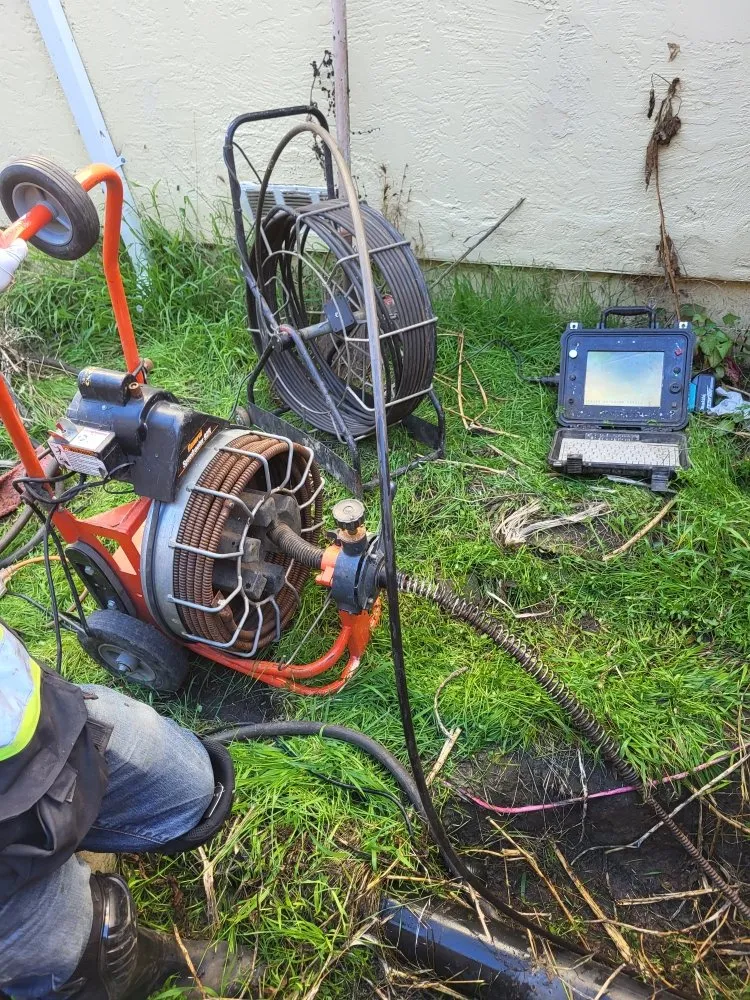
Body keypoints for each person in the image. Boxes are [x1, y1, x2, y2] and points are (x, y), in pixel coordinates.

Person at [0, 239, 254, 999]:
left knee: (196, 793)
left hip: (40, 727)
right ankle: (125, 955)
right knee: (80, 967)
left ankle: (81, 857)